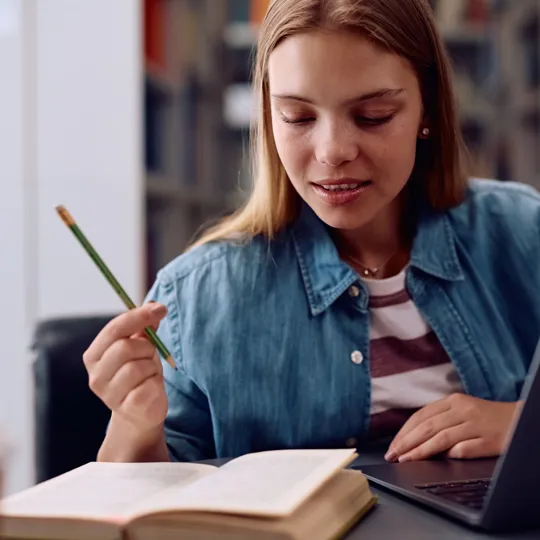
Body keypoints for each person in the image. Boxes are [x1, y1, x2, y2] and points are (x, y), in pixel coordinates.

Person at [84, 0, 540, 466]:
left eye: (374, 115)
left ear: (428, 109)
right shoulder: (196, 297)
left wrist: (522, 424)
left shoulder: (523, 231)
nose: (333, 151)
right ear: (268, 116)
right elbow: (147, 511)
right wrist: (134, 426)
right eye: (299, 118)